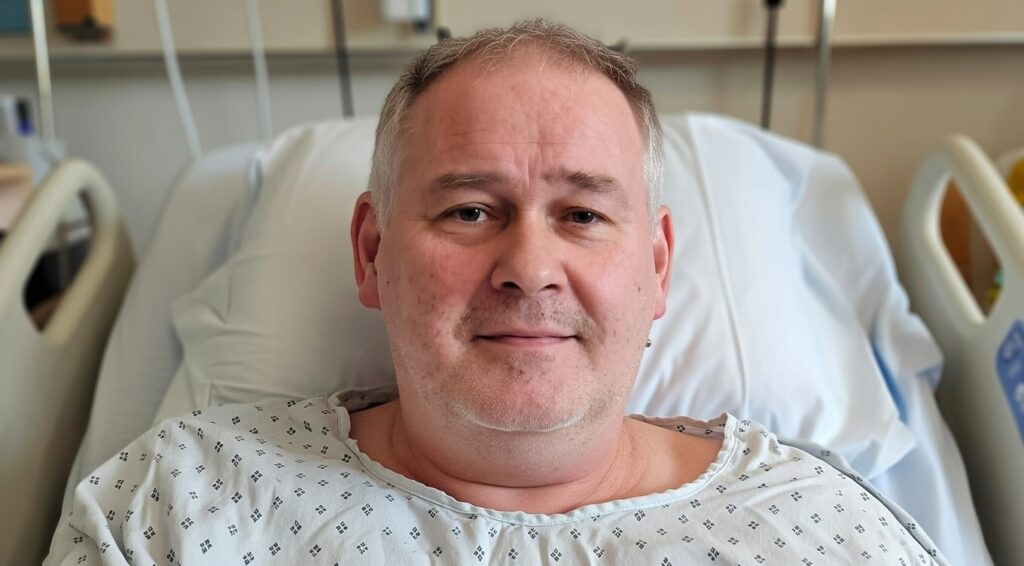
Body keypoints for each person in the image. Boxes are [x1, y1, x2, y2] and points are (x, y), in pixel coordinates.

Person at [46, 20, 945, 564]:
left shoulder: (822, 532)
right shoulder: (178, 507)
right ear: (371, 251)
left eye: (583, 215)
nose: (529, 266)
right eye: (471, 211)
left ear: (659, 270)